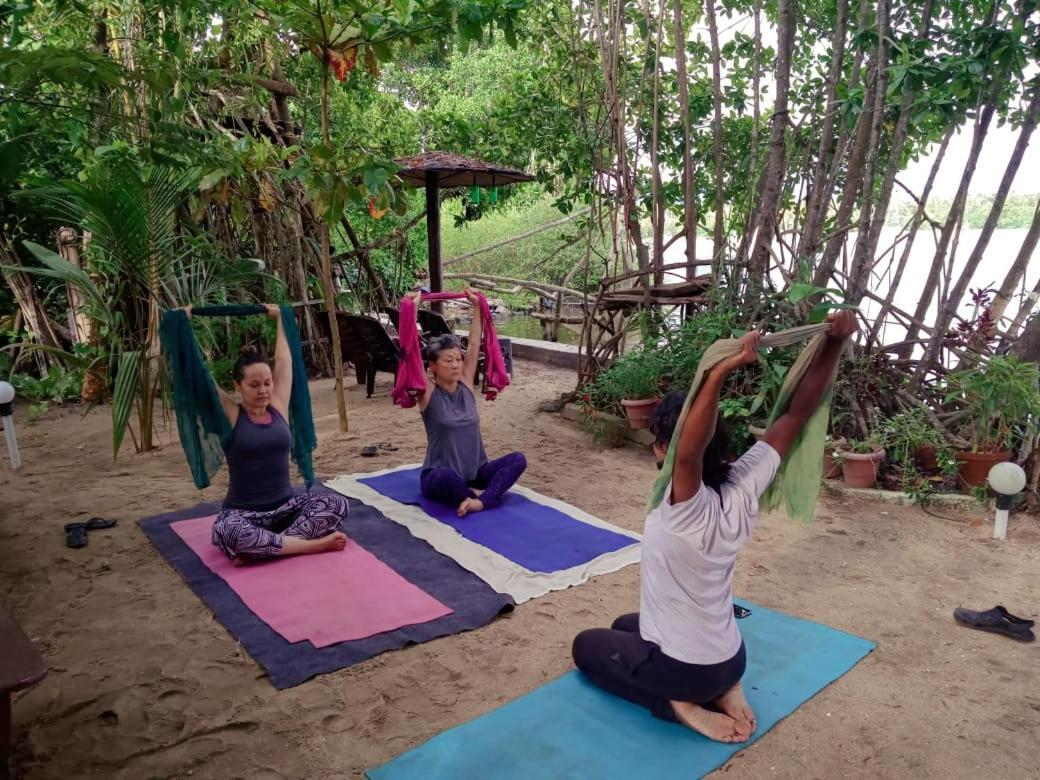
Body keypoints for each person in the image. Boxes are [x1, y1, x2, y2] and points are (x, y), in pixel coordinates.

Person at [571, 311, 859, 743]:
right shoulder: (745, 479)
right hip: (730, 658)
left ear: (665, 448)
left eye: (660, 443)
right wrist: (834, 343)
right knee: (623, 624)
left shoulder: (684, 503)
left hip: (686, 671)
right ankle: (726, 688)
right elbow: (797, 413)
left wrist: (722, 370)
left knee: (586, 647)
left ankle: (678, 706)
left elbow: (688, 454)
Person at [187, 304, 349, 564]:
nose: (263, 390)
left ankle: (265, 549)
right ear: (238, 386)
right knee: (230, 531)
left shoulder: (277, 407)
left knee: (336, 504)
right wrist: (185, 328)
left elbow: (284, 361)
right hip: (244, 514)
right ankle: (306, 546)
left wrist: (281, 321)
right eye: (254, 385)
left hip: (286, 509)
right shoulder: (231, 413)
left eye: (267, 383)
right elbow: (202, 377)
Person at [406, 289, 527, 518]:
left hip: (476, 471)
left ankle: (478, 501)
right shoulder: (428, 393)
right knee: (444, 477)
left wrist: (477, 307)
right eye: (448, 360)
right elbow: (411, 349)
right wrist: (413, 309)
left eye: (457, 359)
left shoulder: (466, 385)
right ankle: (475, 495)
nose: (455, 365)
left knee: (518, 460)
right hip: (439, 476)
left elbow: (473, 345)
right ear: (432, 366)